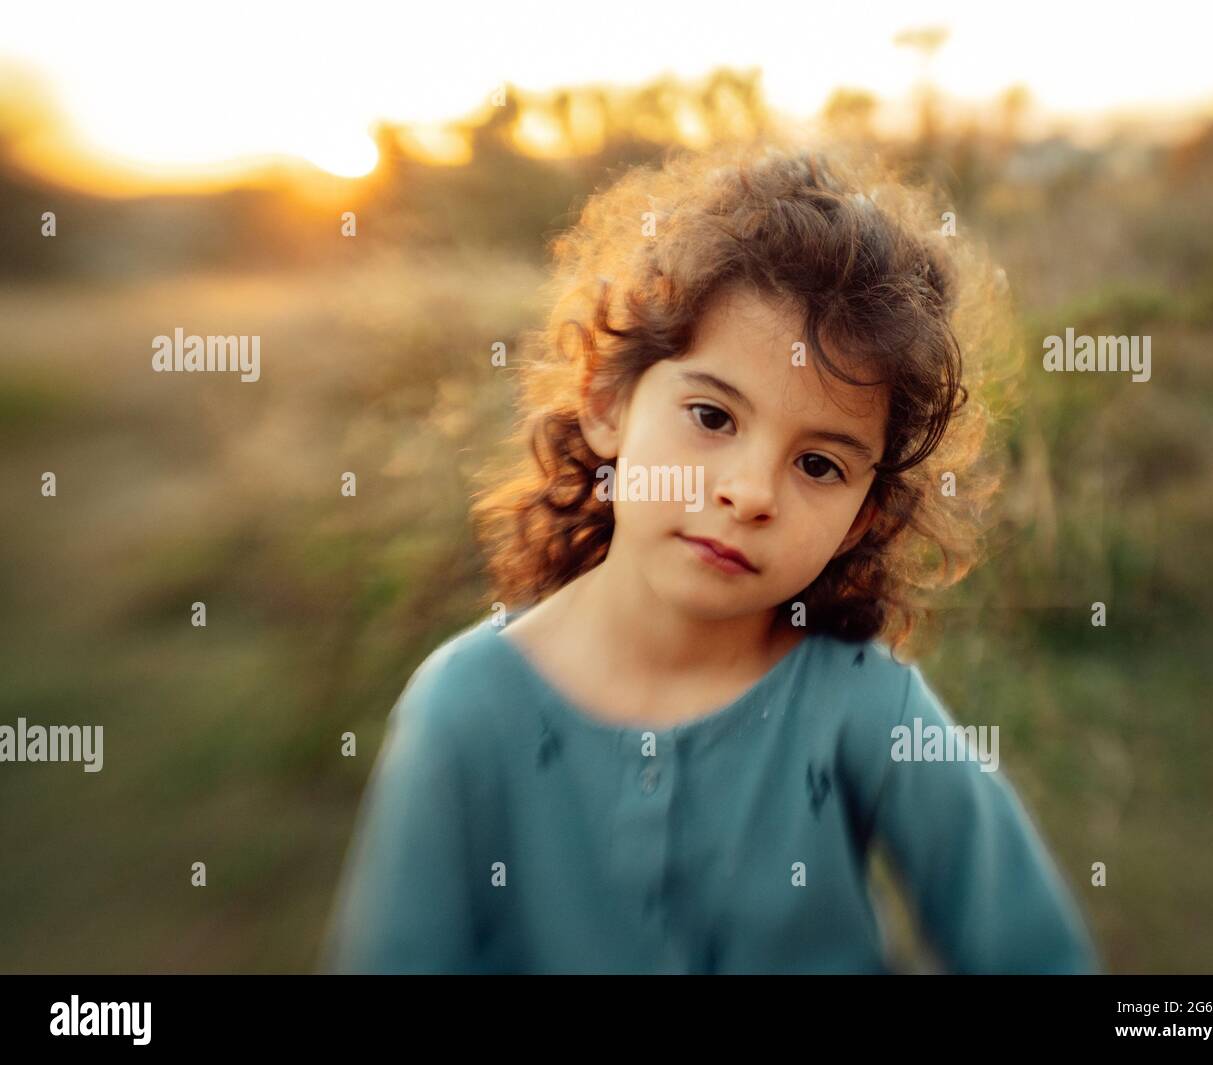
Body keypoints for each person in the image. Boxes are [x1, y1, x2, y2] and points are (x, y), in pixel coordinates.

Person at [319, 142, 1103, 974]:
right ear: (608, 402)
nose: (750, 491)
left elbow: (1036, 953)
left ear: (859, 515)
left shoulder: (869, 708)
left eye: (818, 464)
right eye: (713, 416)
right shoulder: (465, 709)